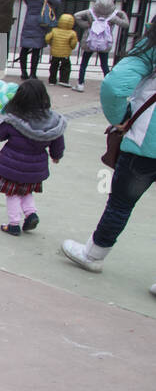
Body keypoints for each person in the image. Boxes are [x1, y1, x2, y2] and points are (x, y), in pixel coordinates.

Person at [61, 21, 156, 291]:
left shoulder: (151, 48)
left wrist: (120, 119)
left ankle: (94, 254)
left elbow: (115, 85)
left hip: (145, 143)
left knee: (121, 203)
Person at [0, 78, 65, 236]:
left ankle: (14, 223)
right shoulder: (52, 120)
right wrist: (56, 155)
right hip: (36, 166)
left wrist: (2, 117)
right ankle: (31, 214)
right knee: (26, 191)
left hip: (12, 165)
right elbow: (58, 140)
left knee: (13, 193)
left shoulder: (14, 119)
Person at [71, 0, 128, 91]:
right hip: (104, 44)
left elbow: (77, 15)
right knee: (104, 65)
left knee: (84, 64)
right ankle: (109, 85)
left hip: (90, 42)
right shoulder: (113, 17)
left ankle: (80, 84)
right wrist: (122, 14)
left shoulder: (90, 13)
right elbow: (125, 24)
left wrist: (86, 25)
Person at [18, 0, 60, 79]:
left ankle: (23, 72)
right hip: (41, 20)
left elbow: (26, 0)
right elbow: (57, 2)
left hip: (29, 18)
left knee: (25, 47)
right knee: (36, 48)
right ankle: (33, 73)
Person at [44, 13, 78, 87]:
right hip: (65, 54)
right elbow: (73, 43)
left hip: (55, 53)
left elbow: (47, 38)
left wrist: (51, 44)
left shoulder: (54, 30)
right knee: (65, 67)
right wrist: (71, 47)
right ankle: (64, 80)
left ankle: (52, 80)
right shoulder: (72, 33)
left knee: (53, 66)